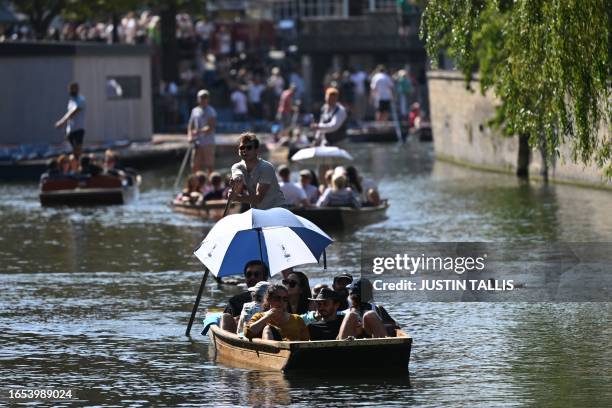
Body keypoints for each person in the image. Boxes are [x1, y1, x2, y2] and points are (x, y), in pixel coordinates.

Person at [229, 132, 286, 210]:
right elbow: (237, 174)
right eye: (242, 148)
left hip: (276, 209)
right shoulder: (236, 166)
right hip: (258, 210)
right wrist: (236, 180)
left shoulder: (266, 167)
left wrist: (236, 198)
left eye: (249, 148)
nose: (244, 150)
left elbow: (258, 198)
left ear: (256, 150)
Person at [244, 285, 310, 341]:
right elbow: (248, 333)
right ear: (268, 300)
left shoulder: (297, 319)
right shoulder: (259, 316)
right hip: (271, 354)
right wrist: (267, 316)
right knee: (268, 328)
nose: (281, 302)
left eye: (285, 299)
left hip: (295, 354)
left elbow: (306, 341)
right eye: (277, 298)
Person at [220, 260, 268, 333]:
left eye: (256, 274)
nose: (252, 277)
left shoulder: (276, 299)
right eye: (249, 275)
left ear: (265, 277)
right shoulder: (235, 301)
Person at [187, 89, 217, 174]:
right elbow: (190, 125)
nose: (203, 99)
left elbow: (210, 127)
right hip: (197, 143)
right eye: (201, 98)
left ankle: (210, 185)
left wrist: (198, 132)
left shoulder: (211, 111)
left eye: (205, 97)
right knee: (194, 166)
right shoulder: (194, 111)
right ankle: (196, 184)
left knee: (209, 166)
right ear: (198, 99)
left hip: (208, 142)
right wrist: (189, 136)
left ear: (208, 99)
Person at [55, 82, 86, 158]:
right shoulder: (71, 101)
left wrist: (62, 121)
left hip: (78, 129)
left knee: (78, 149)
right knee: (72, 150)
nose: (71, 91)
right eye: (70, 89)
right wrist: (67, 129)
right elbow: (69, 115)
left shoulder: (81, 99)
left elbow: (74, 112)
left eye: (72, 89)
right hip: (71, 130)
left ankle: (78, 163)